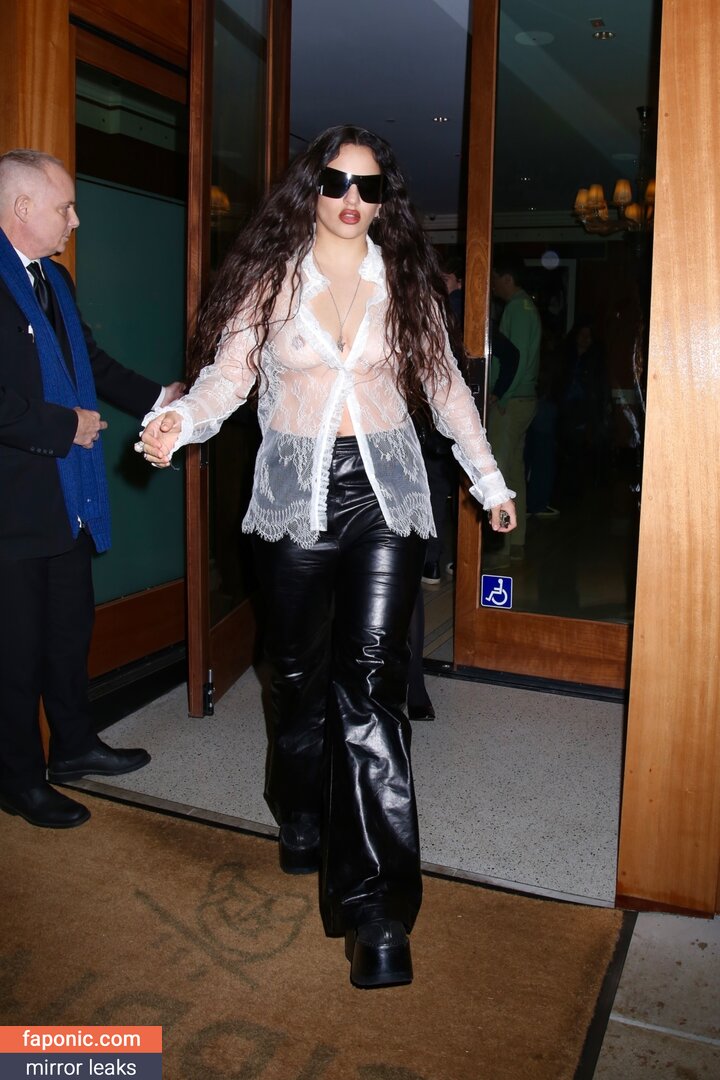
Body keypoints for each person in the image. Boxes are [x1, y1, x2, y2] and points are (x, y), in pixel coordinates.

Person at [138, 125, 516, 989]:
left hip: (386, 491)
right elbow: (228, 379)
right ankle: (300, 807)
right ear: (310, 188)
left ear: (385, 201)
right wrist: (181, 422)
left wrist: (487, 478)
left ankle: (378, 912)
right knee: (296, 674)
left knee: (373, 684)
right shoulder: (272, 280)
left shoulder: (406, 281)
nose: (353, 200)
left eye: (369, 187)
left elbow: (446, 389)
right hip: (294, 494)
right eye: (338, 182)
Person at [0, 149, 185, 830]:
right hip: (14, 506)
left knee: (67, 632)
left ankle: (74, 745)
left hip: (66, 498)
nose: (74, 220)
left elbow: (91, 362)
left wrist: (162, 397)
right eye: (65, 207)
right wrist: (64, 426)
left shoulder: (55, 279)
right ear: (22, 208)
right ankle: (18, 780)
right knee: (14, 654)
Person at [487, 251, 541, 567]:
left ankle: (505, 547)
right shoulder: (526, 307)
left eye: (496, 278)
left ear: (508, 278)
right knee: (515, 473)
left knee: (502, 474)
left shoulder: (517, 309)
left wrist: (500, 395)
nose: (493, 284)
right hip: (523, 398)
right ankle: (516, 542)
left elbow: (515, 359)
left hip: (513, 400)